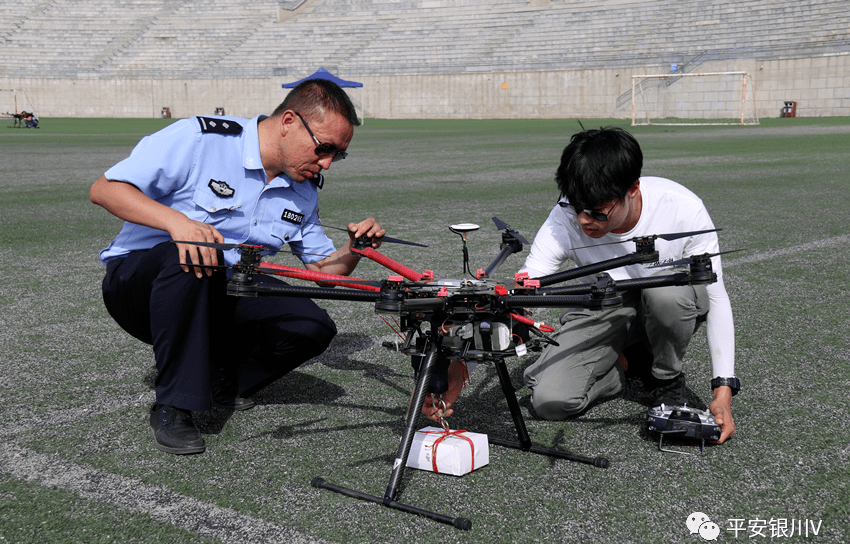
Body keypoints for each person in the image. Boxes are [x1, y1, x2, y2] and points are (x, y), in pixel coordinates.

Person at [90, 79, 385, 455]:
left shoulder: (304, 189)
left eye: (337, 155)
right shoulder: (201, 139)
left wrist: (355, 248)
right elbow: (104, 189)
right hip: (140, 288)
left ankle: (220, 382)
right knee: (196, 256)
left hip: (221, 288)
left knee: (311, 327)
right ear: (289, 121)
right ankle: (174, 405)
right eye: (323, 148)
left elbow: (325, 274)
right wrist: (177, 224)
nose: (326, 162)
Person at [428, 127, 738, 444]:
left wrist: (723, 390)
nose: (583, 221)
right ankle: (625, 364)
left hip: (668, 304)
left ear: (632, 189)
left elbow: (716, 296)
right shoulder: (563, 218)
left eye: (596, 212)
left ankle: (667, 379)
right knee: (549, 401)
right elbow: (522, 294)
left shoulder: (683, 209)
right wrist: (457, 362)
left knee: (665, 294)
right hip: (607, 304)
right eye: (575, 207)